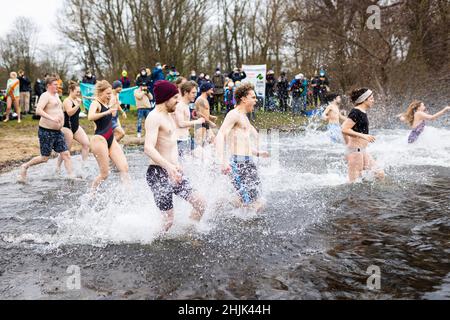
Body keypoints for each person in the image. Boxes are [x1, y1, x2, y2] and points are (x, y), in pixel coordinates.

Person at [144, 80, 206, 232]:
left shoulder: (168, 116)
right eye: (175, 98)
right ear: (165, 98)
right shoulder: (154, 117)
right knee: (168, 221)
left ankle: (189, 233)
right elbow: (148, 147)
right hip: (158, 172)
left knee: (200, 203)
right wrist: (169, 166)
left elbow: (170, 145)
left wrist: (177, 165)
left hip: (173, 170)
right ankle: (153, 244)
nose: (178, 102)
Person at [215, 83, 269, 212]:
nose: (256, 100)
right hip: (238, 163)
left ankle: (227, 205)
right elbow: (220, 135)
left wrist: (257, 153)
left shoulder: (244, 117)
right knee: (250, 204)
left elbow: (243, 143)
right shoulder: (233, 114)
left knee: (257, 200)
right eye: (253, 97)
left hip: (248, 161)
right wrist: (222, 161)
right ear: (244, 99)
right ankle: (221, 205)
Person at [18, 77, 75, 183]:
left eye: (57, 84)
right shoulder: (45, 95)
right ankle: (25, 166)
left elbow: (57, 109)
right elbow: (38, 111)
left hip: (58, 131)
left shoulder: (56, 95)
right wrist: (52, 118)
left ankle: (71, 177)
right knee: (44, 158)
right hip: (46, 131)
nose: (57, 86)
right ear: (48, 85)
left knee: (66, 154)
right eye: (55, 84)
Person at [88, 80, 129, 190]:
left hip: (110, 139)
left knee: (124, 168)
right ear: (101, 93)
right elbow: (90, 116)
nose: (110, 96)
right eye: (108, 93)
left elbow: (113, 105)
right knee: (104, 174)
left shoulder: (106, 102)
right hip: (99, 139)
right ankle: (91, 194)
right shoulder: (95, 103)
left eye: (110, 93)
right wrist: (107, 112)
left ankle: (127, 194)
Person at [341, 88, 385, 183]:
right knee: (354, 183)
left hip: (362, 151)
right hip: (355, 151)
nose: (373, 101)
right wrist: (363, 136)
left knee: (379, 173)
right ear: (364, 100)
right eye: (371, 98)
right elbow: (344, 129)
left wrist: (347, 143)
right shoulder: (356, 112)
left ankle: (372, 196)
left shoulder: (362, 112)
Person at [56, 81, 90, 172]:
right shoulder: (67, 101)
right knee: (66, 150)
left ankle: (84, 165)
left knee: (86, 144)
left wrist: (81, 105)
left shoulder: (76, 99)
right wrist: (78, 104)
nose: (79, 94)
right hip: (67, 128)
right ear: (71, 90)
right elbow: (70, 113)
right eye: (77, 92)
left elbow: (78, 112)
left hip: (76, 127)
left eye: (79, 92)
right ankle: (58, 166)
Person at [173, 81, 206, 159]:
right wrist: (197, 122)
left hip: (186, 138)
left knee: (203, 156)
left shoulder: (186, 105)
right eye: (193, 93)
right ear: (185, 92)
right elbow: (180, 124)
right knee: (182, 165)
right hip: (179, 140)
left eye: (195, 93)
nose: (195, 95)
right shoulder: (180, 105)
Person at [194, 82, 218, 147]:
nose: (212, 91)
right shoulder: (201, 100)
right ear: (206, 90)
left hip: (205, 124)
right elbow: (199, 114)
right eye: (211, 90)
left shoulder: (204, 99)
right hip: (200, 125)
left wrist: (211, 116)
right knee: (200, 146)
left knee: (213, 143)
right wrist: (210, 122)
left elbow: (204, 112)